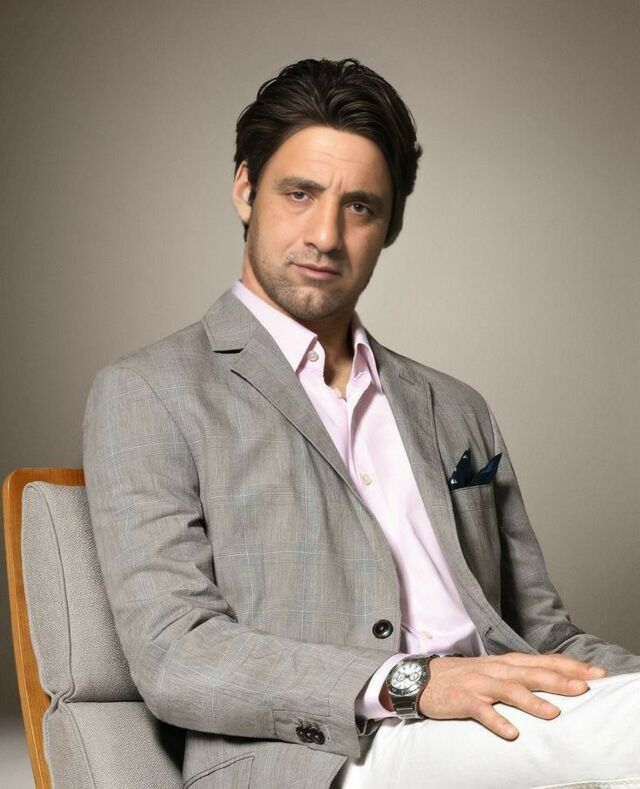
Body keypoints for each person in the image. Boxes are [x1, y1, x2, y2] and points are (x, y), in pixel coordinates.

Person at [82, 57, 640, 789]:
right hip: (329, 754)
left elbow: (544, 635)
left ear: (390, 225)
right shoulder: (150, 392)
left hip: (505, 726)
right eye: (300, 193)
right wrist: (413, 683)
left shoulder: (456, 406)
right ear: (246, 190)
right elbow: (175, 653)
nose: (325, 234)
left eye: (360, 207)